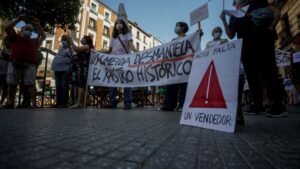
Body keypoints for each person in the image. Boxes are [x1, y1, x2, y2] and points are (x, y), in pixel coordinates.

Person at [220, 0, 287, 117]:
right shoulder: (234, 14)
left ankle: (278, 105)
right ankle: (257, 105)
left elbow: (277, 13)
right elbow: (231, 35)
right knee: (252, 76)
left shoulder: (258, 3)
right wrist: (223, 20)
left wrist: (272, 26)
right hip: (245, 47)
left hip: (263, 41)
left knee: (268, 72)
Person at [3, 15, 46, 108]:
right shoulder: (15, 37)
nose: (29, 31)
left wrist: (38, 25)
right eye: (27, 29)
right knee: (12, 84)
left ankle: (33, 103)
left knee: (31, 84)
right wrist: (18, 19)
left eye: (30, 30)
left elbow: (43, 36)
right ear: (21, 31)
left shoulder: (34, 41)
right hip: (15, 62)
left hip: (30, 64)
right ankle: (10, 102)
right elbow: (7, 28)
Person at [160, 22, 202, 112]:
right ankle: (169, 105)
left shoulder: (189, 38)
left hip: (185, 66)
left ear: (183, 27)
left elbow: (195, 44)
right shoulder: (173, 40)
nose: (176, 27)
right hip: (174, 67)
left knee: (184, 86)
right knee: (171, 85)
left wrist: (199, 35)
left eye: (178, 25)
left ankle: (183, 105)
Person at [103, 19, 137, 109]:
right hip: (114, 62)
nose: (118, 24)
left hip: (125, 61)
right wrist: (99, 53)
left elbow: (131, 44)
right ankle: (112, 102)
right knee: (113, 82)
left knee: (126, 82)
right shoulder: (113, 37)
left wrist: (135, 50)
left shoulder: (127, 35)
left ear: (124, 25)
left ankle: (127, 102)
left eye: (120, 23)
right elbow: (109, 50)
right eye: (117, 23)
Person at [68, 35, 94, 108]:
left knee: (81, 85)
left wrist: (71, 40)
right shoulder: (86, 47)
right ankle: (83, 101)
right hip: (81, 67)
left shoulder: (87, 46)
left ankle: (80, 103)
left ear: (86, 40)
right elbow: (73, 51)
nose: (82, 39)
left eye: (83, 38)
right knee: (82, 85)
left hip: (84, 68)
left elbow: (76, 49)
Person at [51, 35, 72, 108]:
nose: (63, 41)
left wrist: (69, 70)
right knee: (58, 86)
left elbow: (72, 59)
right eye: (63, 39)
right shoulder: (61, 48)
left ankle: (63, 103)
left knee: (64, 86)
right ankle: (58, 103)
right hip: (57, 69)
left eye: (65, 39)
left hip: (65, 70)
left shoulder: (71, 49)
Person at [0, 37, 11, 107]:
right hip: (1, 72)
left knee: (5, 89)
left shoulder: (13, 51)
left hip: (7, 73)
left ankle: (1, 102)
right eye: (6, 41)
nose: (8, 43)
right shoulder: (2, 50)